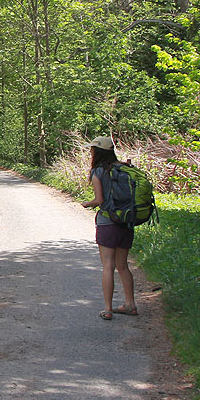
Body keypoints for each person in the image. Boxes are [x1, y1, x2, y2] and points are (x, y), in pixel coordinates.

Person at [80, 135, 138, 320]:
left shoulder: (97, 172)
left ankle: (108, 309)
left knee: (107, 266)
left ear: (97, 152)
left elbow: (100, 200)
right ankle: (130, 304)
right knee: (123, 266)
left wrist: (88, 204)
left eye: (93, 149)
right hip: (126, 222)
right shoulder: (123, 168)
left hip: (107, 222)